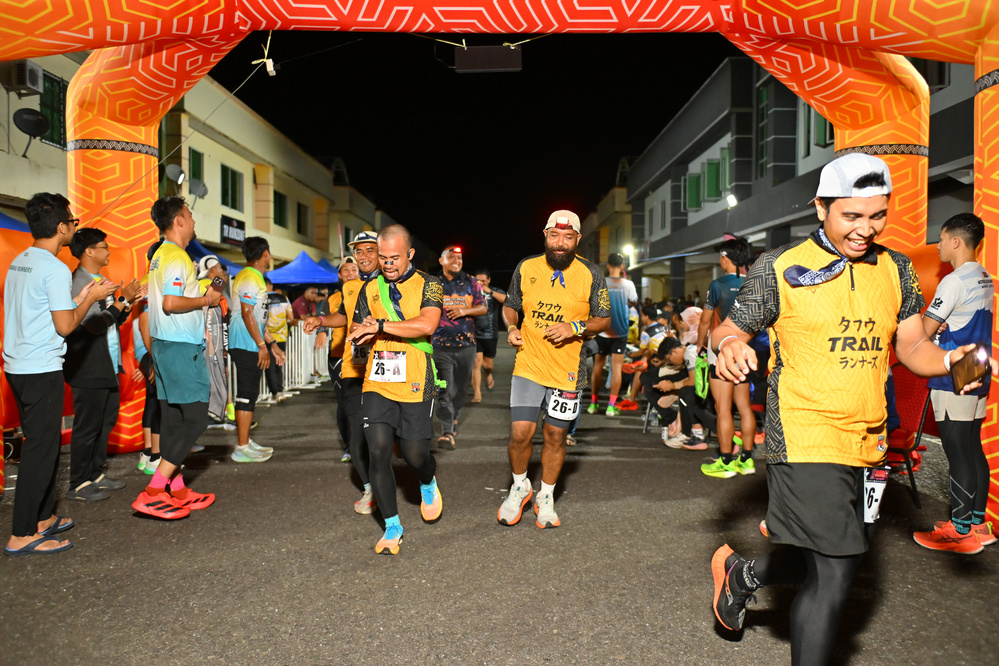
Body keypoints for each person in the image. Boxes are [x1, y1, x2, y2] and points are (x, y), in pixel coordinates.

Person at [707, 154, 995, 664]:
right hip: (804, 433)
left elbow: (912, 347)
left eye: (878, 215)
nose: (866, 228)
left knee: (830, 554)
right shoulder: (780, 266)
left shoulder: (896, 268)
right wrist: (728, 345)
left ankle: (743, 575)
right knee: (836, 571)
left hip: (867, 441)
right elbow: (729, 327)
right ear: (821, 208)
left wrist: (956, 361)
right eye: (852, 216)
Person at [3, 193, 118, 555]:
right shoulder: (53, 268)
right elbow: (66, 326)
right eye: (73, 221)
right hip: (40, 368)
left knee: (45, 446)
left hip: (18, 366)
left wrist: (81, 296)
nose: (74, 226)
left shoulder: (22, 260)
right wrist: (92, 298)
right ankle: (22, 534)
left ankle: (41, 519)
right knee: (41, 451)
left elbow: (45, 311)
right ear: (61, 227)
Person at [498, 210, 609, 529]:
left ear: (577, 239)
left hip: (568, 370)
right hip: (529, 364)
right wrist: (512, 327)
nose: (560, 243)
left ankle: (545, 495)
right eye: (554, 236)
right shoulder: (527, 266)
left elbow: (603, 319)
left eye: (568, 237)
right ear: (545, 235)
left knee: (556, 435)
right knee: (520, 433)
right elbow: (510, 305)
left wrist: (574, 326)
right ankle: (520, 486)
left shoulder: (591, 273)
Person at [344, 224, 444, 555]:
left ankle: (427, 481)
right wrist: (360, 333)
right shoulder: (369, 288)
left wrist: (381, 325)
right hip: (378, 378)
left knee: (415, 455)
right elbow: (359, 325)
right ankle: (392, 527)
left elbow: (427, 324)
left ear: (410, 254)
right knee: (378, 450)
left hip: (416, 376)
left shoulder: (430, 284)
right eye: (383, 258)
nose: (388, 264)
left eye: (395, 258)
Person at [131, 196, 221, 520]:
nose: (194, 221)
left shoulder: (160, 256)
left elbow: (172, 297)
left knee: (172, 420)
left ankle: (178, 489)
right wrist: (206, 301)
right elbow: (171, 302)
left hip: (164, 345)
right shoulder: (177, 256)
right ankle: (154, 491)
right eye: (190, 215)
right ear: (179, 220)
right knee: (196, 418)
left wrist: (206, 289)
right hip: (180, 347)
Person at [913, 213, 996, 553]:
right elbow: (963, 320)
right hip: (978, 367)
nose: (938, 246)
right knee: (972, 447)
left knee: (957, 451)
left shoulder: (953, 281)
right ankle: (977, 524)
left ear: (956, 241)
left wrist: (924, 325)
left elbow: (922, 333)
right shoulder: (983, 276)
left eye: (943, 238)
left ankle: (959, 531)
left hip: (954, 374)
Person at [64, 228, 142, 501]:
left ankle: (95, 473)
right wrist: (122, 301)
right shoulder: (79, 282)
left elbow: (111, 321)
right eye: (104, 247)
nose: (109, 251)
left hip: (107, 363)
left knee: (105, 422)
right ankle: (78, 483)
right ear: (89, 251)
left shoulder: (100, 281)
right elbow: (92, 326)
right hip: (88, 365)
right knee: (87, 427)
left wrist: (126, 304)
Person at [306, 230, 380, 514]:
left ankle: (419, 477)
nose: (363, 257)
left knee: (396, 437)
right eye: (358, 252)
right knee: (356, 435)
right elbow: (344, 316)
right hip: (354, 368)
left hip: (388, 368)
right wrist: (320, 320)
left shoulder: (394, 283)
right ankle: (369, 488)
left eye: (369, 250)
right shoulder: (349, 289)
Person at [696, 237, 757, 478]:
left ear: (725, 258)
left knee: (723, 408)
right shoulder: (753, 283)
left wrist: (700, 345)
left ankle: (725, 461)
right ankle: (747, 460)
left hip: (721, 349)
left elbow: (705, 321)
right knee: (744, 407)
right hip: (745, 350)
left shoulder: (717, 285)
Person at [227, 236, 283, 462]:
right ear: (265, 254)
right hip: (245, 343)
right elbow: (247, 313)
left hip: (251, 342)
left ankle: (245, 441)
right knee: (246, 394)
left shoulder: (254, 277)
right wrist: (261, 345)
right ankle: (241, 447)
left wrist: (271, 344)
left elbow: (259, 319)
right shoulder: (250, 277)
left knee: (250, 394)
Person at [430, 245, 486, 449]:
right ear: (441, 261)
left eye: (460, 258)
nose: (457, 261)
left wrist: (464, 311)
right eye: (452, 257)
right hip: (439, 346)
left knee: (461, 390)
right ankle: (447, 431)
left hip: (466, 346)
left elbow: (483, 307)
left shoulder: (472, 282)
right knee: (443, 389)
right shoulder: (432, 284)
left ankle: (454, 416)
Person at [586, 252, 637, 416]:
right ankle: (611, 406)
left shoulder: (600, 282)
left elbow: (591, 302)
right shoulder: (628, 284)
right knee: (616, 368)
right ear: (622, 266)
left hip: (601, 330)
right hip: (620, 331)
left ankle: (593, 404)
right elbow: (633, 301)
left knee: (597, 367)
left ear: (608, 266)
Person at [325, 257, 360, 462]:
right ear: (339, 275)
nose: (350, 273)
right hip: (338, 356)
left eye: (354, 269)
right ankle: (349, 444)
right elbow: (325, 318)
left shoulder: (368, 291)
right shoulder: (333, 298)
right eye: (345, 270)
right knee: (345, 401)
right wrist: (321, 331)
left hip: (363, 355)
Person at [197, 255, 230, 429]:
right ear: (211, 271)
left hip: (217, 342)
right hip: (210, 344)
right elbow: (207, 318)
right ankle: (212, 413)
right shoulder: (205, 285)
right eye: (219, 269)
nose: (222, 272)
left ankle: (220, 412)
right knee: (212, 378)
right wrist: (211, 344)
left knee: (221, 376)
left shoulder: (215, 287)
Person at [470, 268, 506, 403]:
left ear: (489, 280)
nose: (481, 283)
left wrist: (490, 291)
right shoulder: (470, 291)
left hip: (490, 333)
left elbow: (507, 300)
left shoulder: (495, 291)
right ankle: (477, 394)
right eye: (478, 281)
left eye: (483, 281)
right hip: (474, 333)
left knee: (488, 365)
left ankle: (488, 373)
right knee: (476, 362)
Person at [264, 277, 295, 401]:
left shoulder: (263, 299)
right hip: (281, 336)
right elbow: (291, 317)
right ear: (271, 285)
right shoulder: (284, 299)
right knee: (279, 363)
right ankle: (280, 390)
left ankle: (274, 392)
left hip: (267, 337)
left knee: (270, 365)